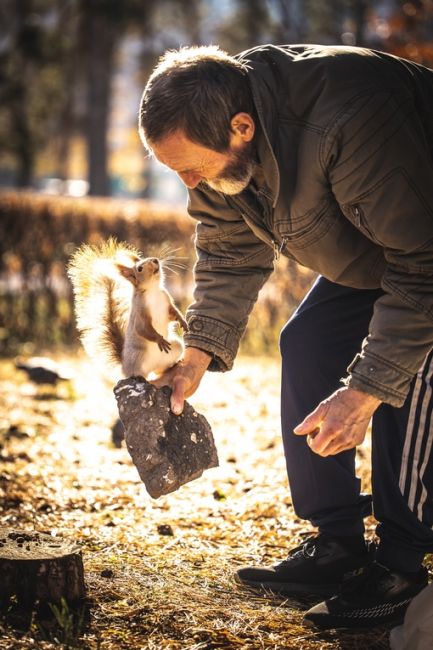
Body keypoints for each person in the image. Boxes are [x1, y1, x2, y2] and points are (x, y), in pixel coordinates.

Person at [138, 43, 433, 629]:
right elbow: (228, 248)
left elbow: (424, 268)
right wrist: (199, 352)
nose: (187, 182)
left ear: (241, 128)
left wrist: (366, 389)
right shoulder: (218, 124)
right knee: (306, 343)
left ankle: (402, 564)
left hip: (425, 257)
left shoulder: (349, 119)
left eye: (189, 167)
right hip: (385, 253)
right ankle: (338, 543)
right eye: (175, 171)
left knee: (410, 374)